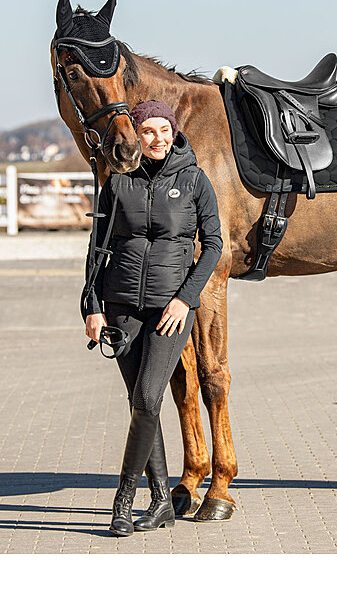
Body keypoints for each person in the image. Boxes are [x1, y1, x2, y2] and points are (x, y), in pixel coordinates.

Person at [84, 100, 223, 536]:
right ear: (137, 137)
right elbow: (97, 248)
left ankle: (124, 499)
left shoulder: (195, 180)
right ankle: (162, 500)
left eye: (164, 130)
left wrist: (185, 299)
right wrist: (91, 305)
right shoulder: (117, 183)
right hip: (121, 305)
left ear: (174, 132)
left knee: (146, 398)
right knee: (141, 406)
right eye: (149, 132)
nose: (157, 138)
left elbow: (214, 246)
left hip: (170, 310)